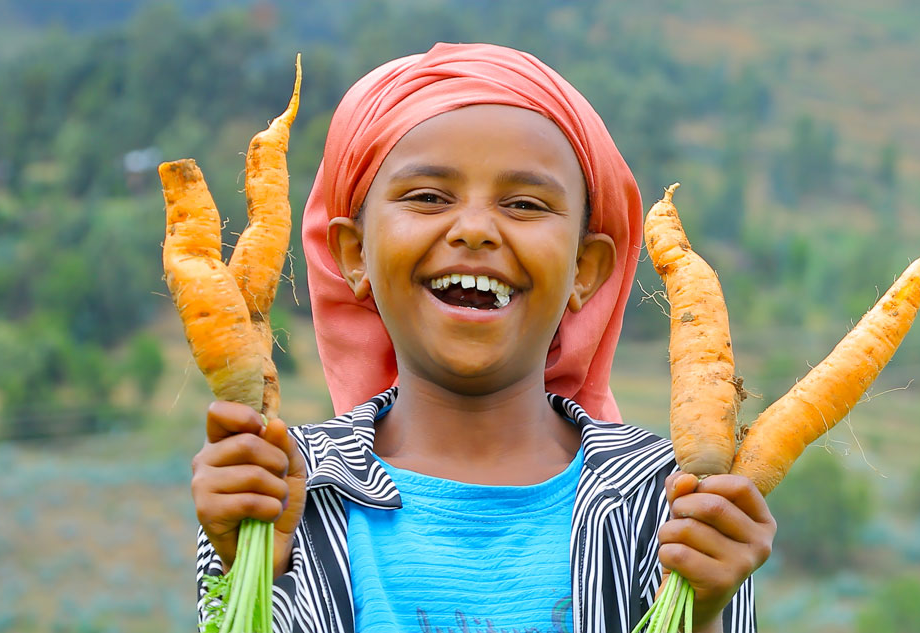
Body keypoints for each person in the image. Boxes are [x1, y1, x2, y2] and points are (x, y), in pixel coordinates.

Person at [189, 42, 770, 633]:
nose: (473, 230)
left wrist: (700, 617)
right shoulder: (284, 485)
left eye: (523, 204)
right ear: (353, 254)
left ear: (585, 269)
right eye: (428, 197)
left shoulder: (666, 501)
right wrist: (255, 565)